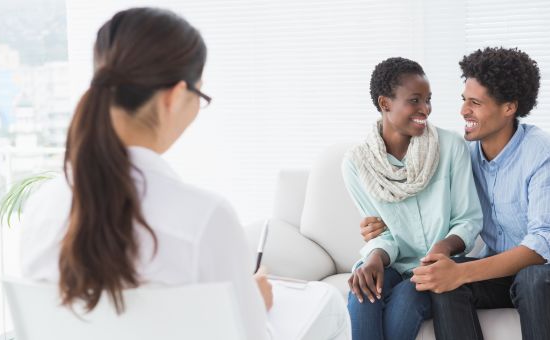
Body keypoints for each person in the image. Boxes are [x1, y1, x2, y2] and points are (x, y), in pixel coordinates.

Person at [19, 7, 349, 340]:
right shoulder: (204, 219)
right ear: (176, 97)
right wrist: (255, 305)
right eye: (200, 95)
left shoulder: (42, 208)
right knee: (329, 304)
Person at [364, 47, 550, 340]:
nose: (463, 111)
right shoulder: (463, 154)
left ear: (509, 107)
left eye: (475, 103)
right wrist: (382, 222)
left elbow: (543, 246)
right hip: (503, 273)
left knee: (532, 278)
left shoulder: (545, 154)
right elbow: (424, 200)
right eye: (463, 100)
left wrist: (463, 273)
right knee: (446, 280)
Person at [342, 57, 483, 340]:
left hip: (437, 266)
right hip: (392, 262)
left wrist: (440, 250)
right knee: (362, 296)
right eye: (415, 100)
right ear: (385, 103)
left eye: (428, 100)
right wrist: (374, 258)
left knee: (405, 304)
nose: (425, 110)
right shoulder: (358, 164)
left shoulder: (450, 146)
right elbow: (384, 234)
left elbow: (468, 219)